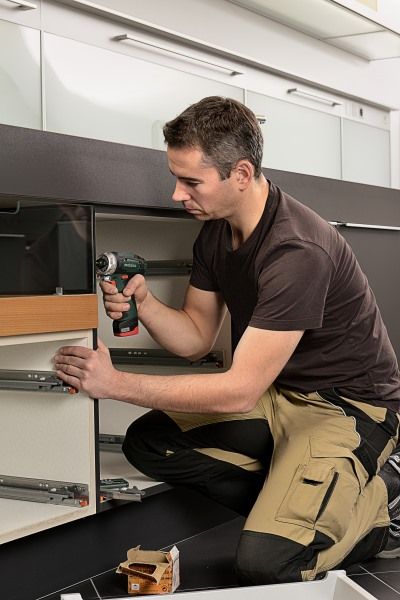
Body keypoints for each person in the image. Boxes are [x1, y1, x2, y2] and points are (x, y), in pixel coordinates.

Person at [55, 96, 400, 584]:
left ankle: (382, 511)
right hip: (279, 395)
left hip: (349, 408)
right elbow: (196, 338)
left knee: (268, 562)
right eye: (176, 178)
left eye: (191, 182)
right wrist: (145, 303)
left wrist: (116, 384)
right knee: (150, 442)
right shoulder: (216, 234)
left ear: (241, 173)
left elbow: (238, 390)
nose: (177, 194)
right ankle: (302, 501)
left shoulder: (297, 249)